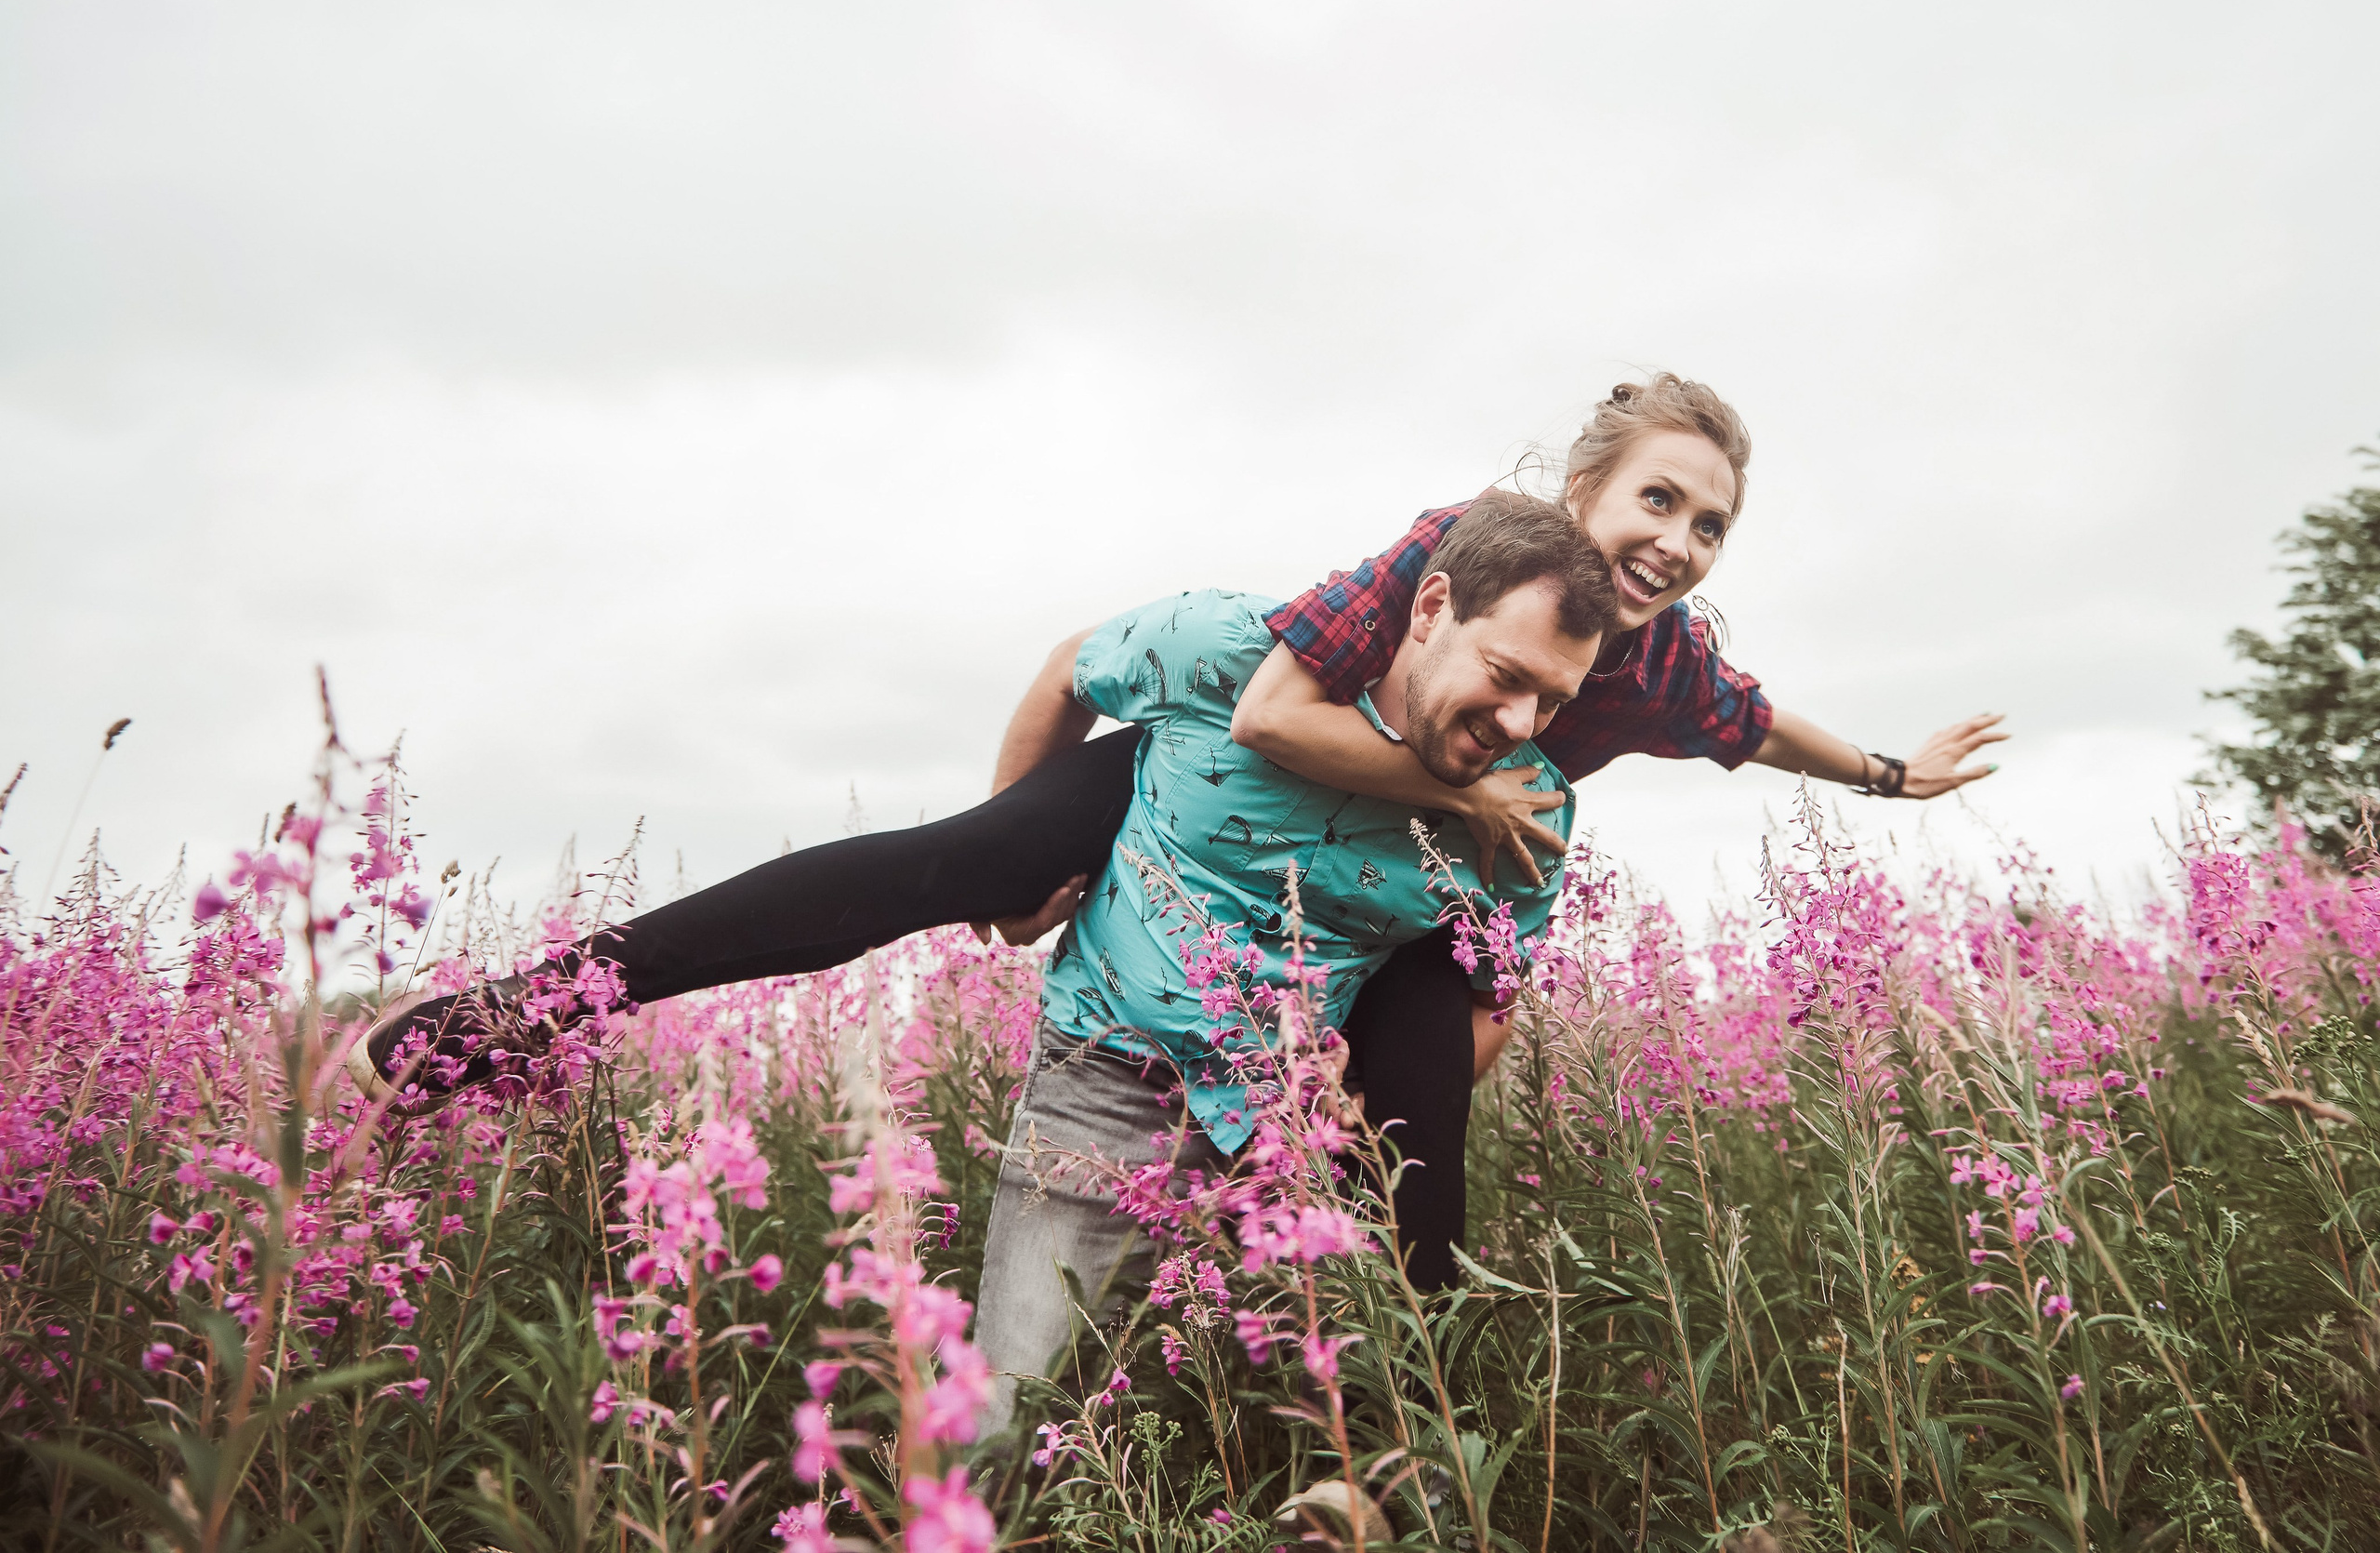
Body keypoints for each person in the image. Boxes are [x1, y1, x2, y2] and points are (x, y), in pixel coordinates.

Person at [350, 372, 2004, 1291]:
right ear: (1578, 491)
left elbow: (1752, 719)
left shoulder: (1664, 661)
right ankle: (489, 1024)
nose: (1681, 538)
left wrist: (1882, 773)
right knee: (949, 869)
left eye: (1713, 522)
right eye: (1656, 499)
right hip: (1206, 782)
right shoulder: (1441, 549)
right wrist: (1026, 824)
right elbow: (1274, 713)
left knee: (1425, 1065)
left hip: (1377, 891)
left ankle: (1396, 1366)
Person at [966, 494, 1611, 1435]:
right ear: (1430, 609)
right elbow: (1072, 667)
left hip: (1294, 1139)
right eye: (1507, 674)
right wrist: (1008, 848)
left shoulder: (1527, 808)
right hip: (1102, 1081)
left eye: (1553, 697)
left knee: (1365, 1442)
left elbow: (1490, 1000)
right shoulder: (1228, 646)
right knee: (1010, 1431)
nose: (1522, 718)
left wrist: (1368, 1097)